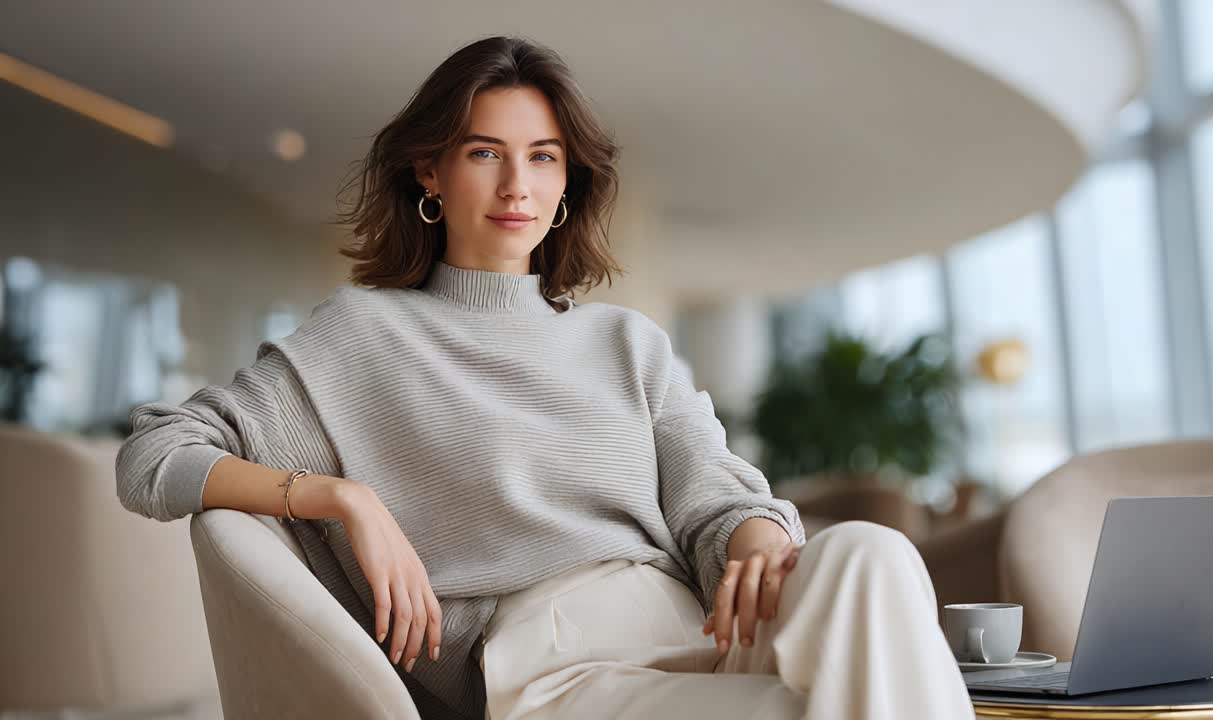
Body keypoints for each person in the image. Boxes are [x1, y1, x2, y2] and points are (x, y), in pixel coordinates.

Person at [116, 35, 975, 720]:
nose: (517, 185)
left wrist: (754, 533)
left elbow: (715, 499)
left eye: (544, 157)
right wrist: (345, 499)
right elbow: (154, 454)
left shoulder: (626, 344)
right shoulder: (365, 335)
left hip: (705, 622)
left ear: (568, 182)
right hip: (558, 668)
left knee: (874, 552)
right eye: (486, 153)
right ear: (431, 171)